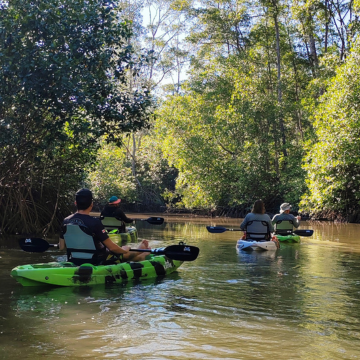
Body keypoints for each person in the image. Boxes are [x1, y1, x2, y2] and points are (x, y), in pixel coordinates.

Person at [59, 188, 150, 265]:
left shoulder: (65, 221)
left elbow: (61, 246)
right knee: (121, 253)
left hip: (74, 260)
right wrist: (125, 250)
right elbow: (112, 248)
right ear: (91, 204)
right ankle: (140, 252)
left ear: (75, 203)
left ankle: (140, 256)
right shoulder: (95, 222)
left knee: (117, 251)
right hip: (97, 261)